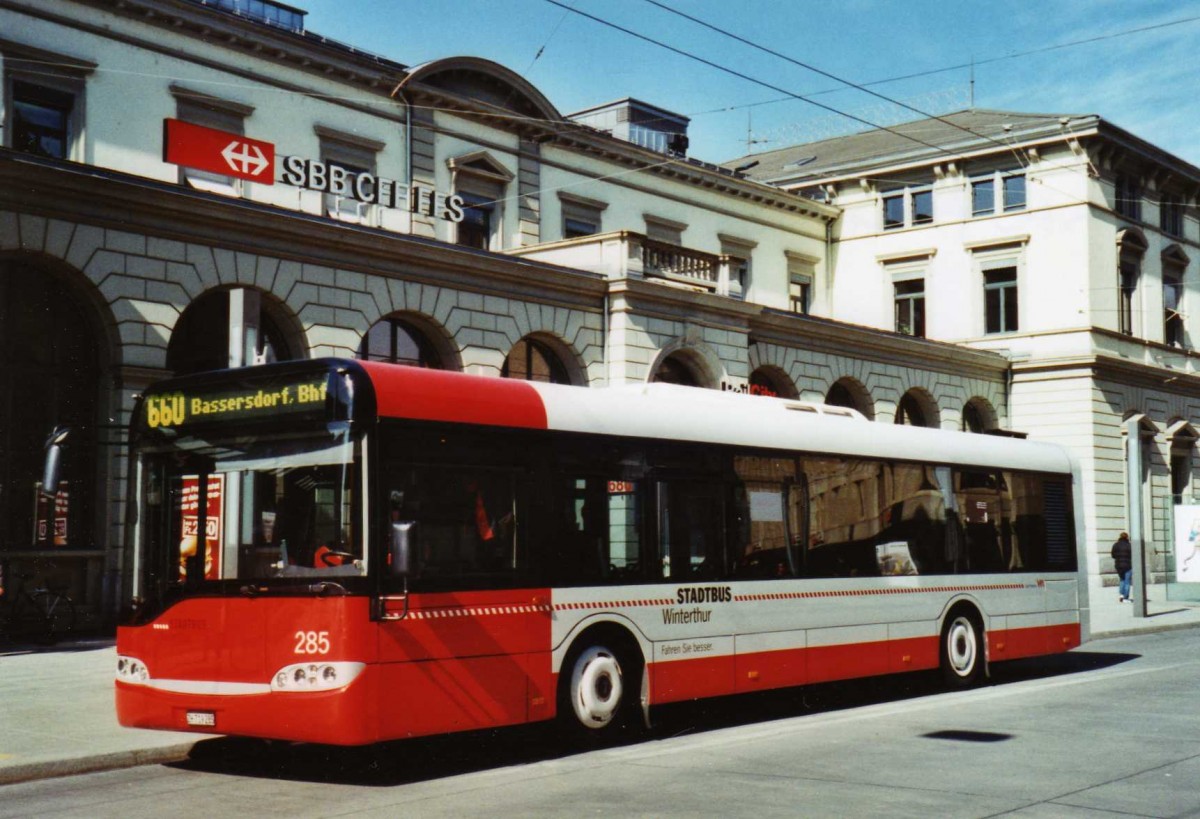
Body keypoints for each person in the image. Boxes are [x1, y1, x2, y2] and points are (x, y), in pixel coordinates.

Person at [1111, 532, 1133, 602]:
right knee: (1127, 581)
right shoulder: (1129, 545)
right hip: (1127, 565)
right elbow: (1132, 554)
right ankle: (1125, 598)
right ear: (1127, 537)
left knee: (1122, 580)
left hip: (1118, 565)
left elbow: (1113, 555)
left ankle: (1121, 595)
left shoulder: (1115, 545)